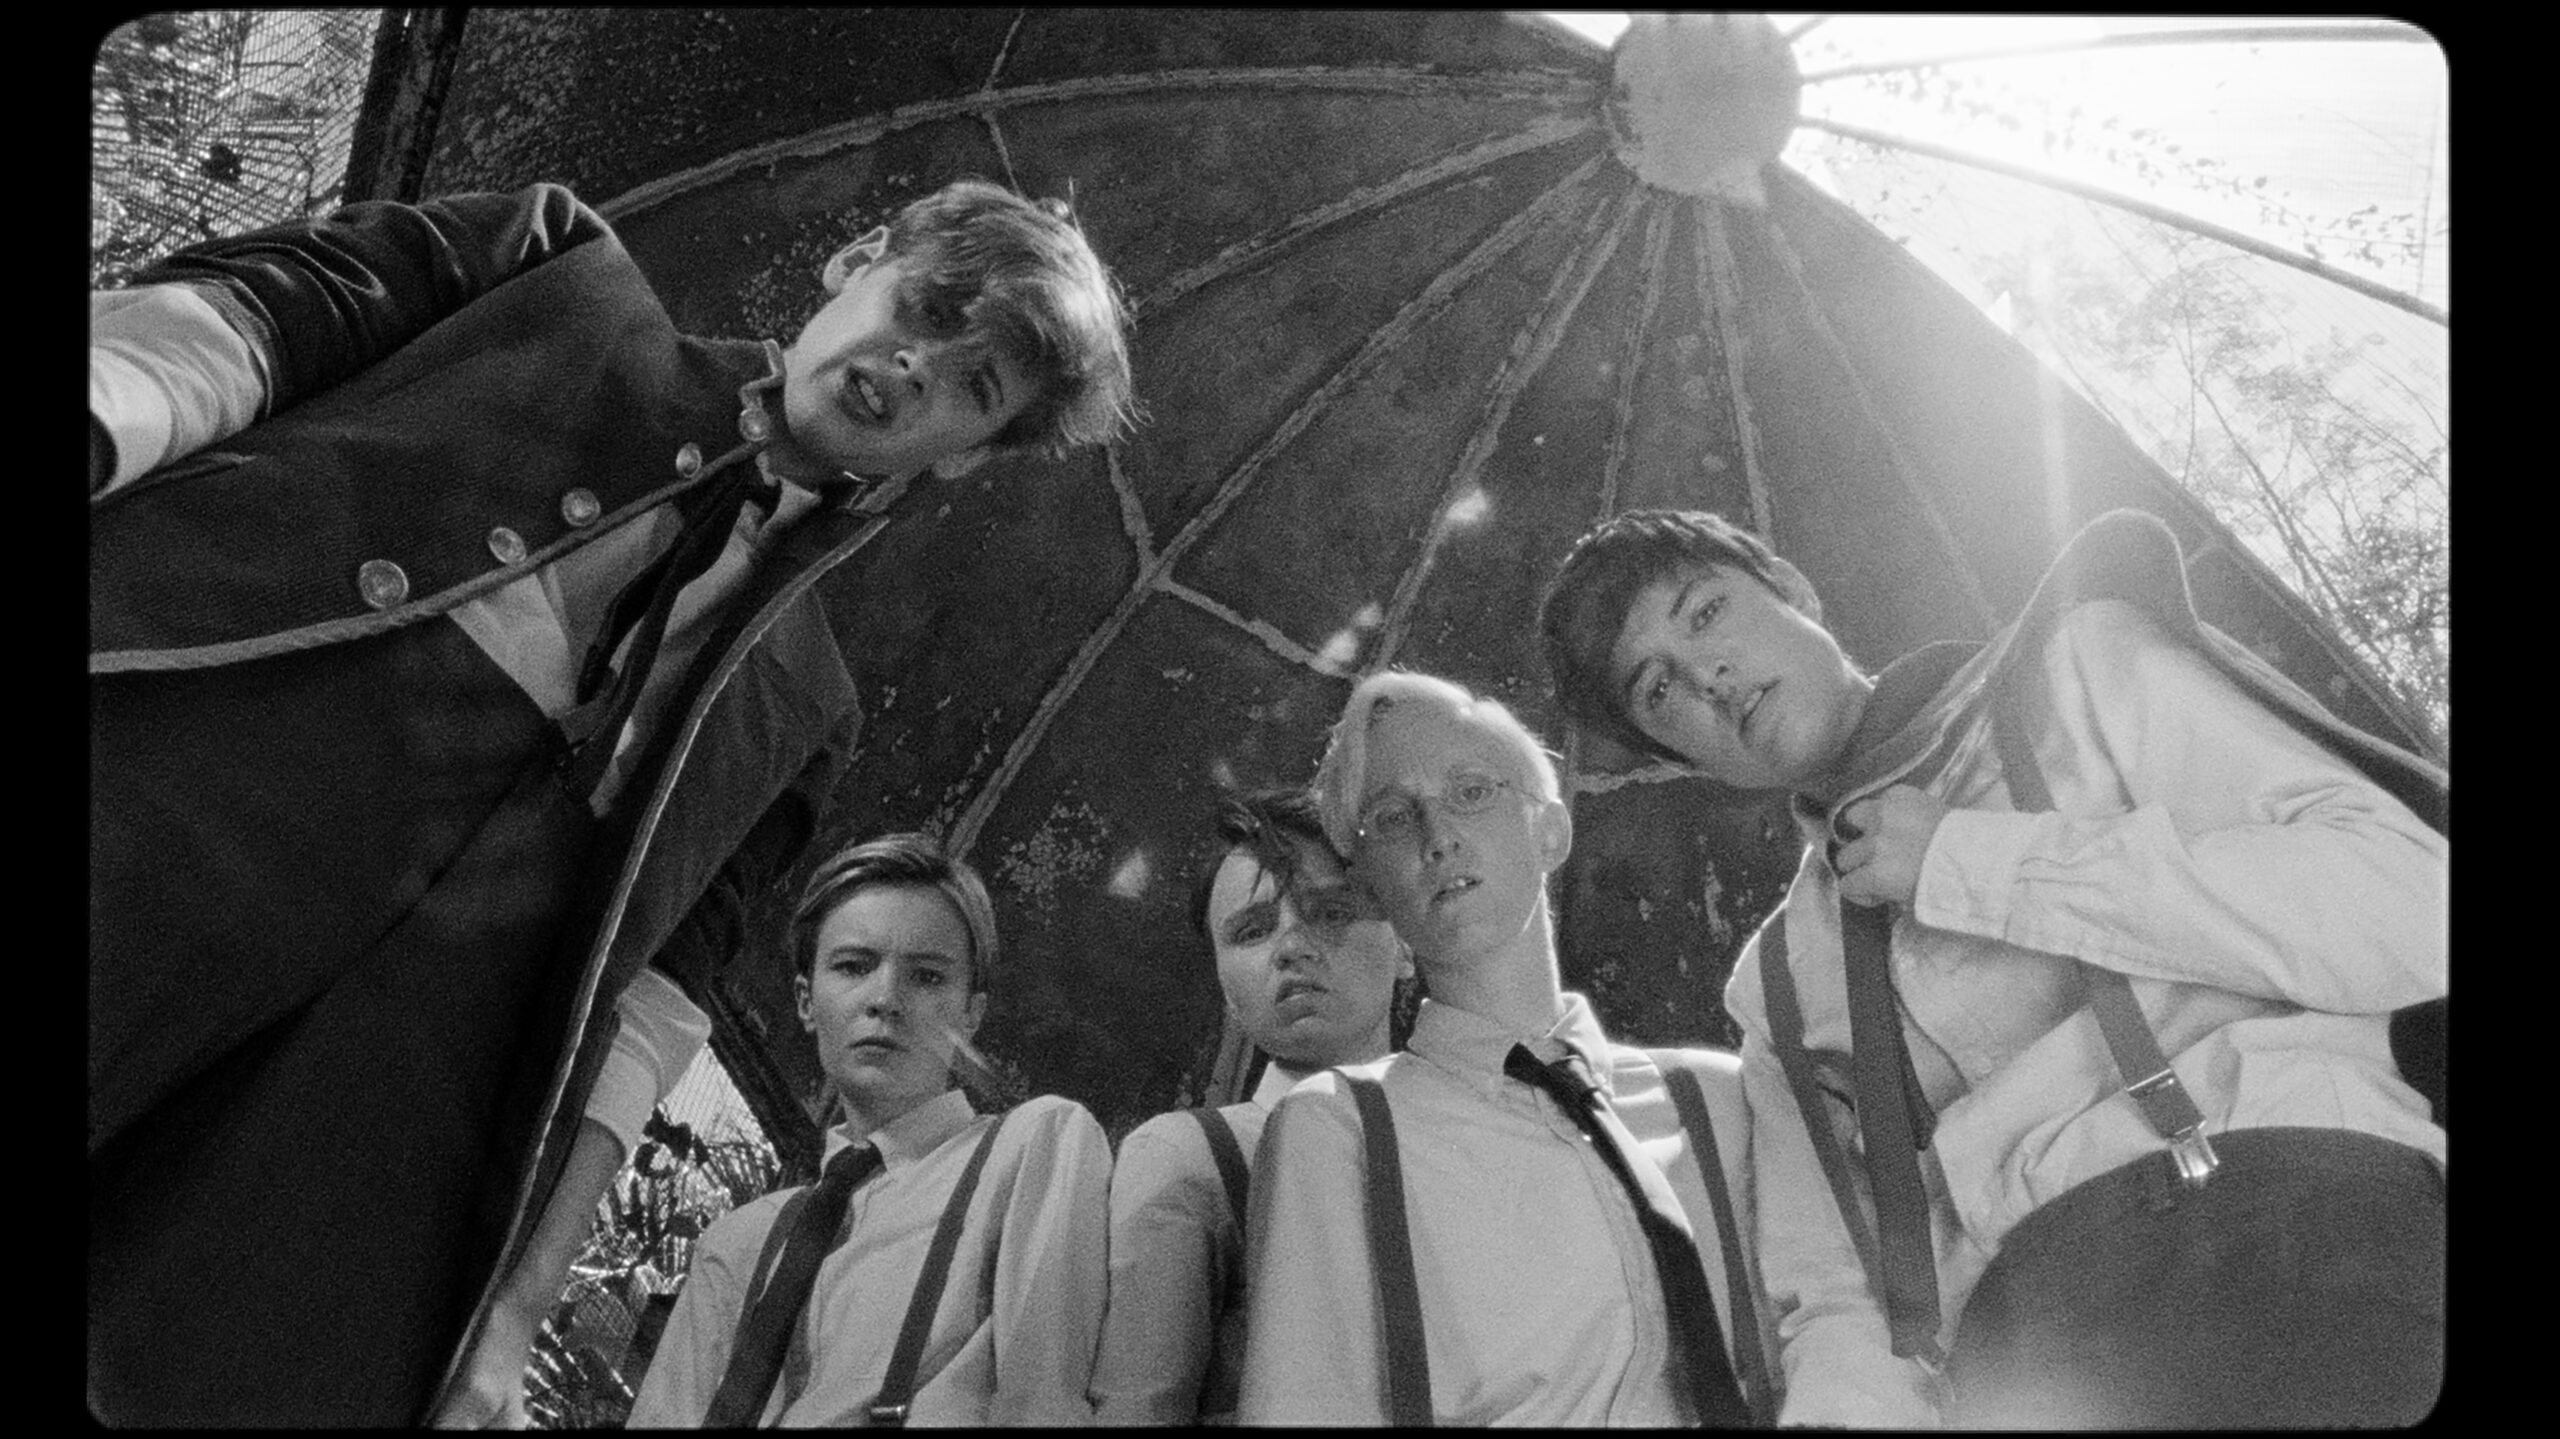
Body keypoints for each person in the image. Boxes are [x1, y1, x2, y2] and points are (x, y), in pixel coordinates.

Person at [89, 179, 1135, 1426]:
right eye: (931, 307)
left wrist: (516, 1306)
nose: (916, 367)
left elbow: (650, 1012)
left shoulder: (805, 713)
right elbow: (240, 329)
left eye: (974, 385)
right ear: (859, 256)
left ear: (966, 451)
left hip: (328, 1164)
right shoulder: (552, 274)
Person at [1538, 506, 2448, 1427]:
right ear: (1676, 759)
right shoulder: (1777, 983)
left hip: (2301, 1226)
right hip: (2032, 1357)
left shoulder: (2081, 669)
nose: (1709, 677)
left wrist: (1968, 862)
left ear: (1792, 589)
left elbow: (2414, 911)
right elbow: (1844, 1299)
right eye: (1659, 690)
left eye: (1705, 613)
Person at [1236, 672, 1775, 1427]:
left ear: (1550, 831)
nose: (1438, 836)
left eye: (1471, 791)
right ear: (1370, 887)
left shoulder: (1722, 1101)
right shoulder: (1339, 1132)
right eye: (1393, 817)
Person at [624, 833, 1112, 1426]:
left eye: (927, 977)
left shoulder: (1034, 1144)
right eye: (853, 967)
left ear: (971, 1014)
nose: (885, 999)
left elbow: (1044, 1402)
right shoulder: (737, 1244)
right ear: (806, 1001)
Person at [1089, 789, 1412, 1424]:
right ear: (1226, 992)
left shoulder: (1476, 1141)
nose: (1291, 945)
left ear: (1405, 945)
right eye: (1252, 931)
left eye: (1330, 911)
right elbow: (1139, 1405)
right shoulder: (1189, 1155)